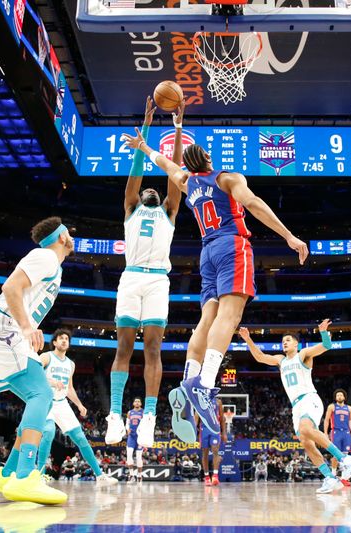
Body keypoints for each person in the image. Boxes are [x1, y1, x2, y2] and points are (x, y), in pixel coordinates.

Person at [122, 124, 308, 442]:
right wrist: (288, 236)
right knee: (230, 316)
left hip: (206, 252)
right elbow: (254, 204)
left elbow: (166, 164)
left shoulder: (187, 182)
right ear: (207, 157)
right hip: (231, 245)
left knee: (207, 319)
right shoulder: (226, 178)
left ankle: (189, 379)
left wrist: (144, 147)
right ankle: (204, 386)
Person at [0, 217, 73, 505]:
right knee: (41, 395)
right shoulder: (45, 257)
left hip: (4, 331)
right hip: (4, 328)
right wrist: (27, 327)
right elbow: (10, 288)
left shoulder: (54, 266)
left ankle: (8, 474)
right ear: (61, 236)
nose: (71, 235)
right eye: (68, 232)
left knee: (38, 396)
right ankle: (26, 476)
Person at [106, 98, 183, 448]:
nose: (150, 190)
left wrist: (178, 132)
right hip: (132, 276)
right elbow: (136, 176)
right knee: (124, 346)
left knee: (152, 347)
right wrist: (146, 129)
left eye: (155, 189)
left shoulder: (168, 209)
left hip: (157, 282)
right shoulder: (132, 207)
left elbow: (174, 174)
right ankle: (114, 415)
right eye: (146, 189)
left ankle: (150, 416)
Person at [239, 321, 351, 494]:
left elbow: (327, 346)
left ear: (296, 343)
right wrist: (248, 339)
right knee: (306, 443)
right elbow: (260, 357)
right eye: (283, 340)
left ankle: (343, 458)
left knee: (306, 428)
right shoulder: (280, 360)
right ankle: (329, 477)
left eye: (288, 340)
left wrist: (323, 333)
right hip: (296, 406)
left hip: (309, 398)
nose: (285, 342)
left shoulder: (304, 354)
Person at [36, 328, 117, 488]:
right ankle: (39, 475)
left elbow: (69, 388)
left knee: (81, 439)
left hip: (61, 403)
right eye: (61, 338)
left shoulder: (70, 364)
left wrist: (79, 404)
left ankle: (100, 476)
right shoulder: (46, 357)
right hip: (45, 401)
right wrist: (52, 382)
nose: (64, 340)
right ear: (54, 342)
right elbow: (35, 374)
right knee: (49, 432)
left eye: (66, 338)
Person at [322, 388, 351, 484]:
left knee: (345, 456)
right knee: (336, 454)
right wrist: (325, 433)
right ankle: (333, 475)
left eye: (341, 395)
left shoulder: (349, 408)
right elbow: (326, 420)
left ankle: (344, 478)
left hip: (346, 433)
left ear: (344, 397)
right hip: (336, 432)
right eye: (337, 395)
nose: (339, 396)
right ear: (335, 397)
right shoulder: (332, 407)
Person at [195, 398, 226, 486]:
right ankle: (207, 477)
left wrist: (224, 433)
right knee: (205, 453)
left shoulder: (218, 401)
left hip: (215, 429)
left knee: (215, 450)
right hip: (204, 429)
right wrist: (193, 431)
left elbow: (222, 418)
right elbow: (196, 417)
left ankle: (215, 476)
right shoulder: (199, 401)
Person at [124, 398, 144, 483]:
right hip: (131, 436)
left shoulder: (143, 412)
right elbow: (127, 423)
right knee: (129, 455)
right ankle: (131, 475)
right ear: (133, 403)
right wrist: (127, 429)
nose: (137, 402)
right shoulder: (129, 412)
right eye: (135, 401)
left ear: (141, 403)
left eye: (138, 401)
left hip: (140, 436)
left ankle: (139, 475)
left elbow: (146, 423)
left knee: (139, 457)